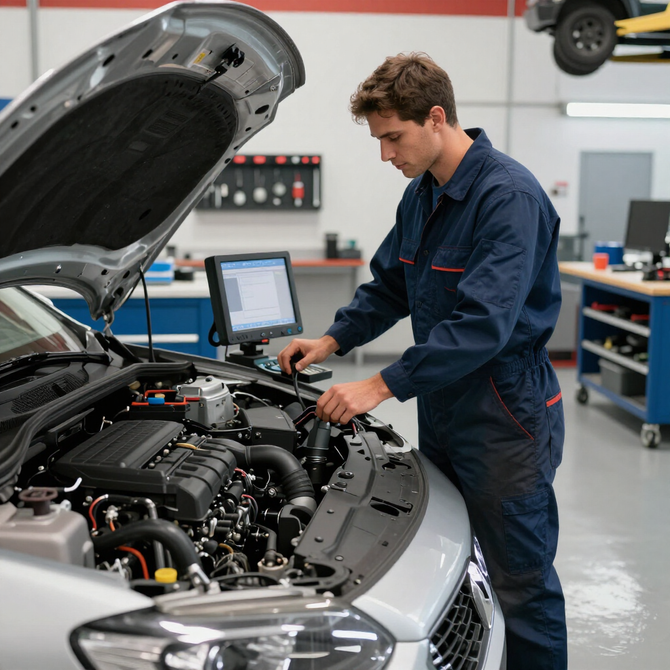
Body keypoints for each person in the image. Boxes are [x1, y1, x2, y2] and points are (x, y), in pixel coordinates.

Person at [278, 53, 566, 670]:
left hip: (503, 416)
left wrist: (380, 386)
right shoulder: (423, 197)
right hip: (444, 408)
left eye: (392, 137)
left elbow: (482, 326)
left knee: (522, 582)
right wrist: (330, 341)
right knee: (453, 564)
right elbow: (390, 286)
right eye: (379, 139)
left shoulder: (507, 198)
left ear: (436, 118)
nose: (386, 155)